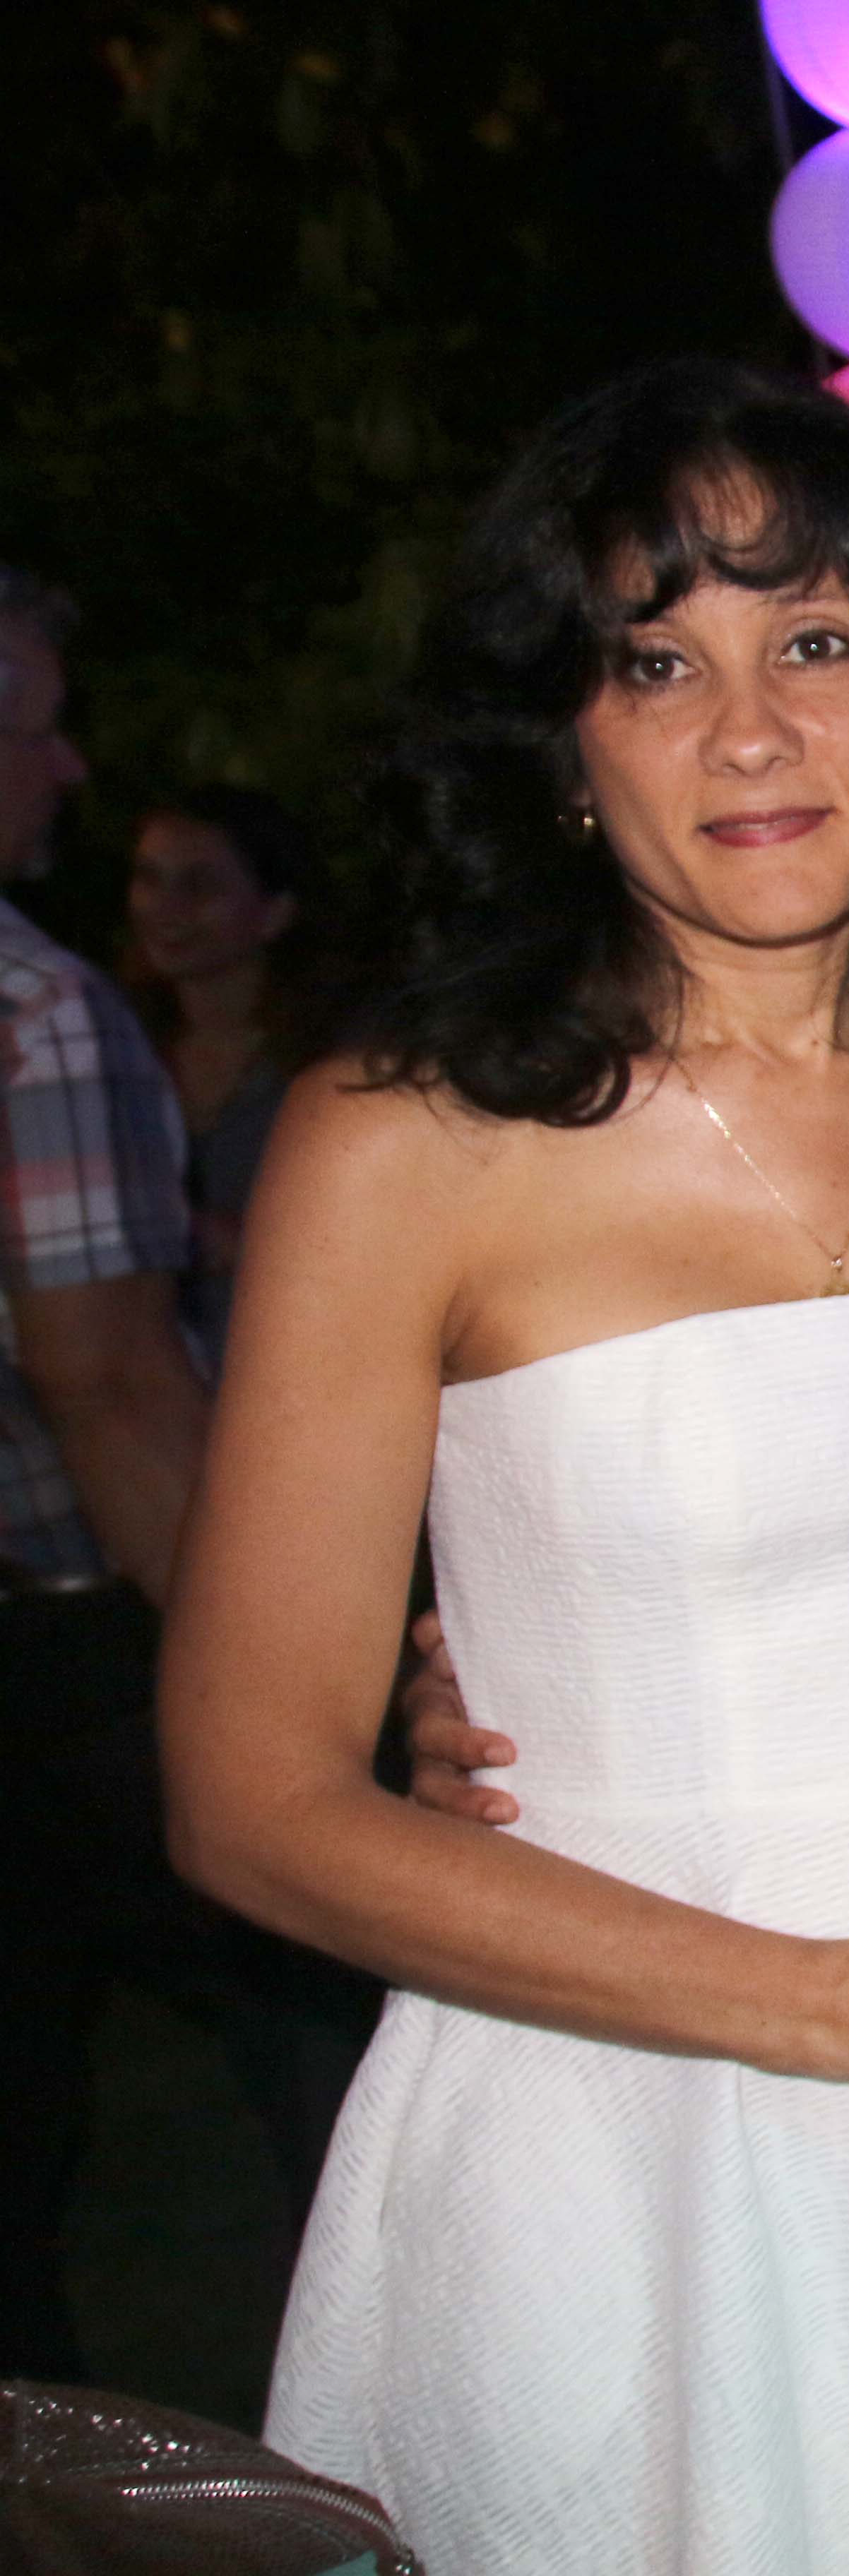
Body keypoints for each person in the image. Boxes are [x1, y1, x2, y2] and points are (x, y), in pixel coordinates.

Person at [156, 359, 849, 2574]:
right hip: (611, 2115)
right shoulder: (406, 1140)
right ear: (568, 748)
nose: (750, 731)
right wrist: (819, 2001)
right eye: (657, 663)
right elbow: (248, 1799)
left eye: (817, 640)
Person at [1, 562, 218, 2385]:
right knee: (313, 2013)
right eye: (39, 728)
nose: (70, 768)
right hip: (72, 1646)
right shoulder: (35, 1011)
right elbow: (109, 1380)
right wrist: (264, 1683)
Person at [124, 785, 316, 1357]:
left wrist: (236, 1242)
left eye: (200, 886)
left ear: (275, 912)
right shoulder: (118, 1050)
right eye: (149, 879)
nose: (166, 907)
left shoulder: (323, 1071)